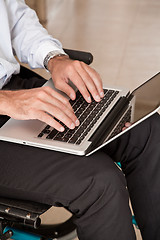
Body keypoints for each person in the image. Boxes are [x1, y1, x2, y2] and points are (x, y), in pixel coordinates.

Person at [0, 1, 160, 239]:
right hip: (7, 102)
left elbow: (15, 19)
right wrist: (6, 102)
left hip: (15, 88)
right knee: (99, 183)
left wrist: (55, 58)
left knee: (145, 132)